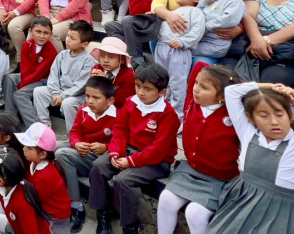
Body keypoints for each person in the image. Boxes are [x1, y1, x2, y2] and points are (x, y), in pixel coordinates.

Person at [205, 81, 294, 234]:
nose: (274, 122)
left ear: (290, 116)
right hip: (241, 204)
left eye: (279, 114)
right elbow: (231, 91)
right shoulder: (248, 134)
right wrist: (269, 86)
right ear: (250, 118)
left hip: (282, 213)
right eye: (263, 115)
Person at [89, 62, 179, 234]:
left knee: (122, 180)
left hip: (156, 161)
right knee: (98, 167)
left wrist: (130, 162)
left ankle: (130, 225)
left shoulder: (168, 115)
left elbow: (158, 150)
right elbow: (120, 130)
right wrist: (115, 151)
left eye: (147, 89)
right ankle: (103, 213)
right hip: (129, 149)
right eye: (138, 86)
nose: (140, 92)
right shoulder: (131, 102)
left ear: (162, 93)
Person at [156, 64, 241, 234]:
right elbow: (200, 67)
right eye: (195, 83)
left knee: (195, 213)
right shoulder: (192, 103)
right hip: (192, 171)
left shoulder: (234, 115)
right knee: (166, 199)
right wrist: (208, 76)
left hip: (220, 178)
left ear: (223, 97)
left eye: (204, 87)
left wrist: (233, 85)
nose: (195, 89)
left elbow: (249, 94)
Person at [55, 75, 118, 232]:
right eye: (88, 96)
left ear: (110, 101)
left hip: (105, 160)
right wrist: (77, 143)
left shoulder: (118, 116)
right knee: (57, 150)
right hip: (86, 154)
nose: (90, 101)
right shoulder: (83, 110)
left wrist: (106, 147)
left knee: (62, 153)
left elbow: (120, 142)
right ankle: (76, 206)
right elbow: (75, 131)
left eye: (96, 98)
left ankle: (103, 215)